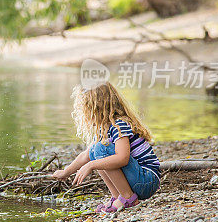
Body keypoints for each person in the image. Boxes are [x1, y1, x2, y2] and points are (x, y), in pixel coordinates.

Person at [52, 81, 160, 212]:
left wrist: (91, 165)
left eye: (86, 109)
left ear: (97, 108)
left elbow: (123, 158)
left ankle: (128, 198)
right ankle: (118, 197)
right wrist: (66, 172)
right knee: (96, 151)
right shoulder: (105, 128)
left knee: (100, 150)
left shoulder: (119, 125)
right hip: (138, 179)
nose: (84, 114)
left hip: (147, 181)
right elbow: (86, 155)